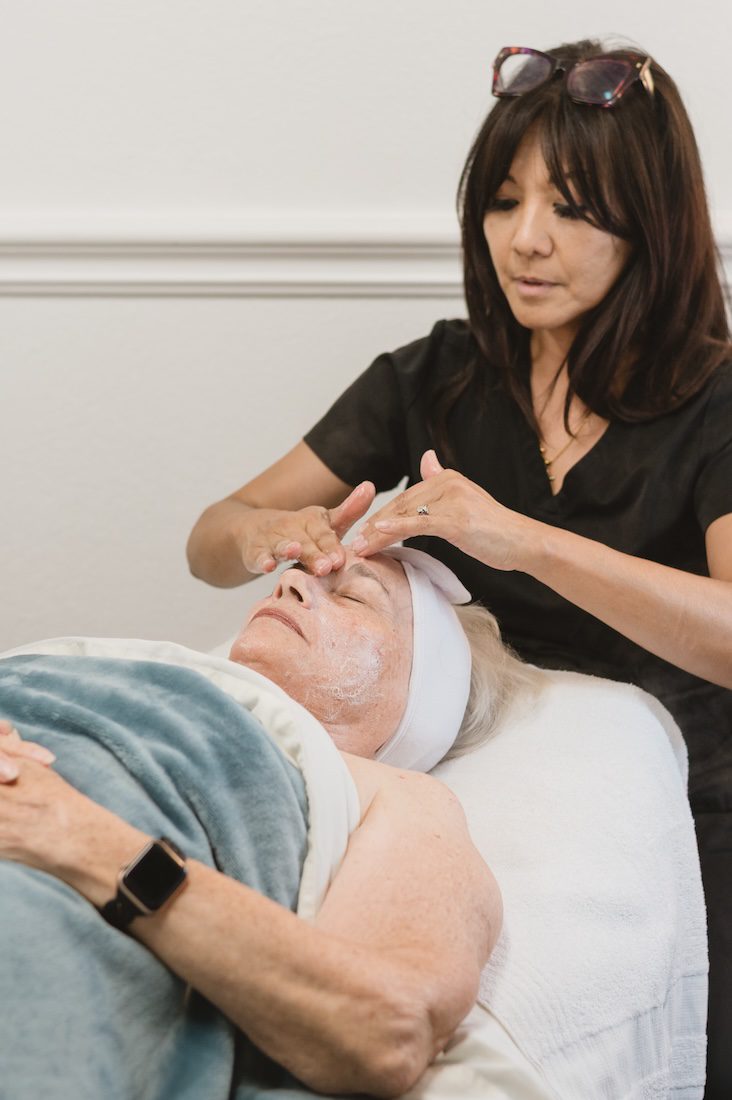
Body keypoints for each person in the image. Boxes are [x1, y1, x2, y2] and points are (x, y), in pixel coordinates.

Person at [185, 39, 732, 1098]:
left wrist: (522, 540)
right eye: (503, 201)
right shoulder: (435, 374)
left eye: (574, 209)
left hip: (692, 791)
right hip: (475, 763)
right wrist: (271, 530)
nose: (525, 241)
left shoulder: (714, 401)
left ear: (651, 228)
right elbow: (213, 529)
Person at [0, 548, 519, 1098]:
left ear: (419, 694)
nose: (290, 584)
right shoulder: (93, 666)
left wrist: (75, 836)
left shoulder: (399, 796)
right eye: (296, 575)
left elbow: (388, 1028)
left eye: (352, 595)